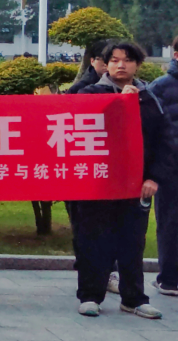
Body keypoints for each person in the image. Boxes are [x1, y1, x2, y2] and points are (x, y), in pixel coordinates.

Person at [74, 41, 172, 319]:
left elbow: (164, 141)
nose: (121, 65)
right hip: (97, 182)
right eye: (115, 60)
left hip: (135, 185)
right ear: (105, 64)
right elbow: (81, 124)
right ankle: (90, 296)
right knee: (94, 240)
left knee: (132, 242)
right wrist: (121, 103)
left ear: (137, 65)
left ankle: (134, 298)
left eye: (127, 60)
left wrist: (153, 178)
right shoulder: (90, 93)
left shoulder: (149, 97)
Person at [146, 34, 178, 298]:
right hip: (171, 169)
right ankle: (169, 279)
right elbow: (150, 131)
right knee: (171, 224)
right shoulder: (160, 87)